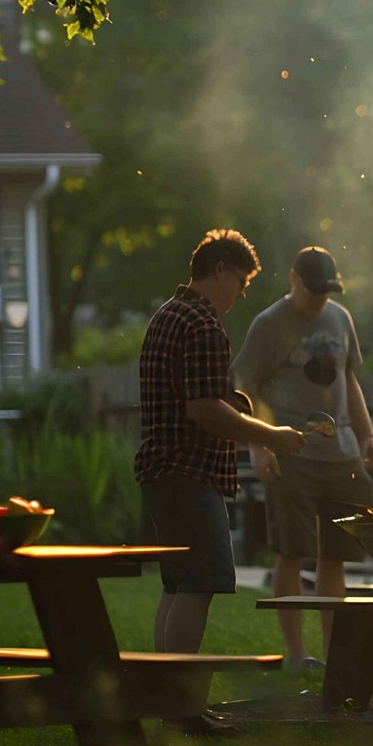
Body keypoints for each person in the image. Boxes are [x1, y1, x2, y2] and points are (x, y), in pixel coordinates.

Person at [135, 229, 307, 674]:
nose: (241, 293)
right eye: (241, 282)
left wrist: (235, 405)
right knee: (203, 583)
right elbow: (203, 410)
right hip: (189, 472)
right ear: (219, 271)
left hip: (159, 469)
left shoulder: (167, 314)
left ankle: (165, 694)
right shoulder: (203, 323)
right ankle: (181, 705)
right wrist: (272, 436)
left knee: (177, 585)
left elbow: (195, 398)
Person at [233, 246, 373, 668]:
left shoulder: (340, 317)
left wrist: (366, 433)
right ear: (294, 279)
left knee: (336, 554)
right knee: (292, 551)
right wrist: (259, 445)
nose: (320, 299)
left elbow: (348, 379)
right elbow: (248, 390)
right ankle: (297, 653)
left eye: (326, 291)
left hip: (342, 453)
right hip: (290, 451)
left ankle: (336, 653)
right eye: (313, 290)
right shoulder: (268, 325)